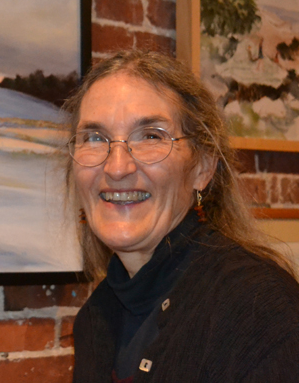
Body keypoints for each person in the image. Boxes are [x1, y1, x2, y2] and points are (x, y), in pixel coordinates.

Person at [64, 50, 299, 382]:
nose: (117, 167)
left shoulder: (259, 311)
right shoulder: (95, 319)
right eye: (95, 138)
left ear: (202, 168)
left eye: (150, 136)